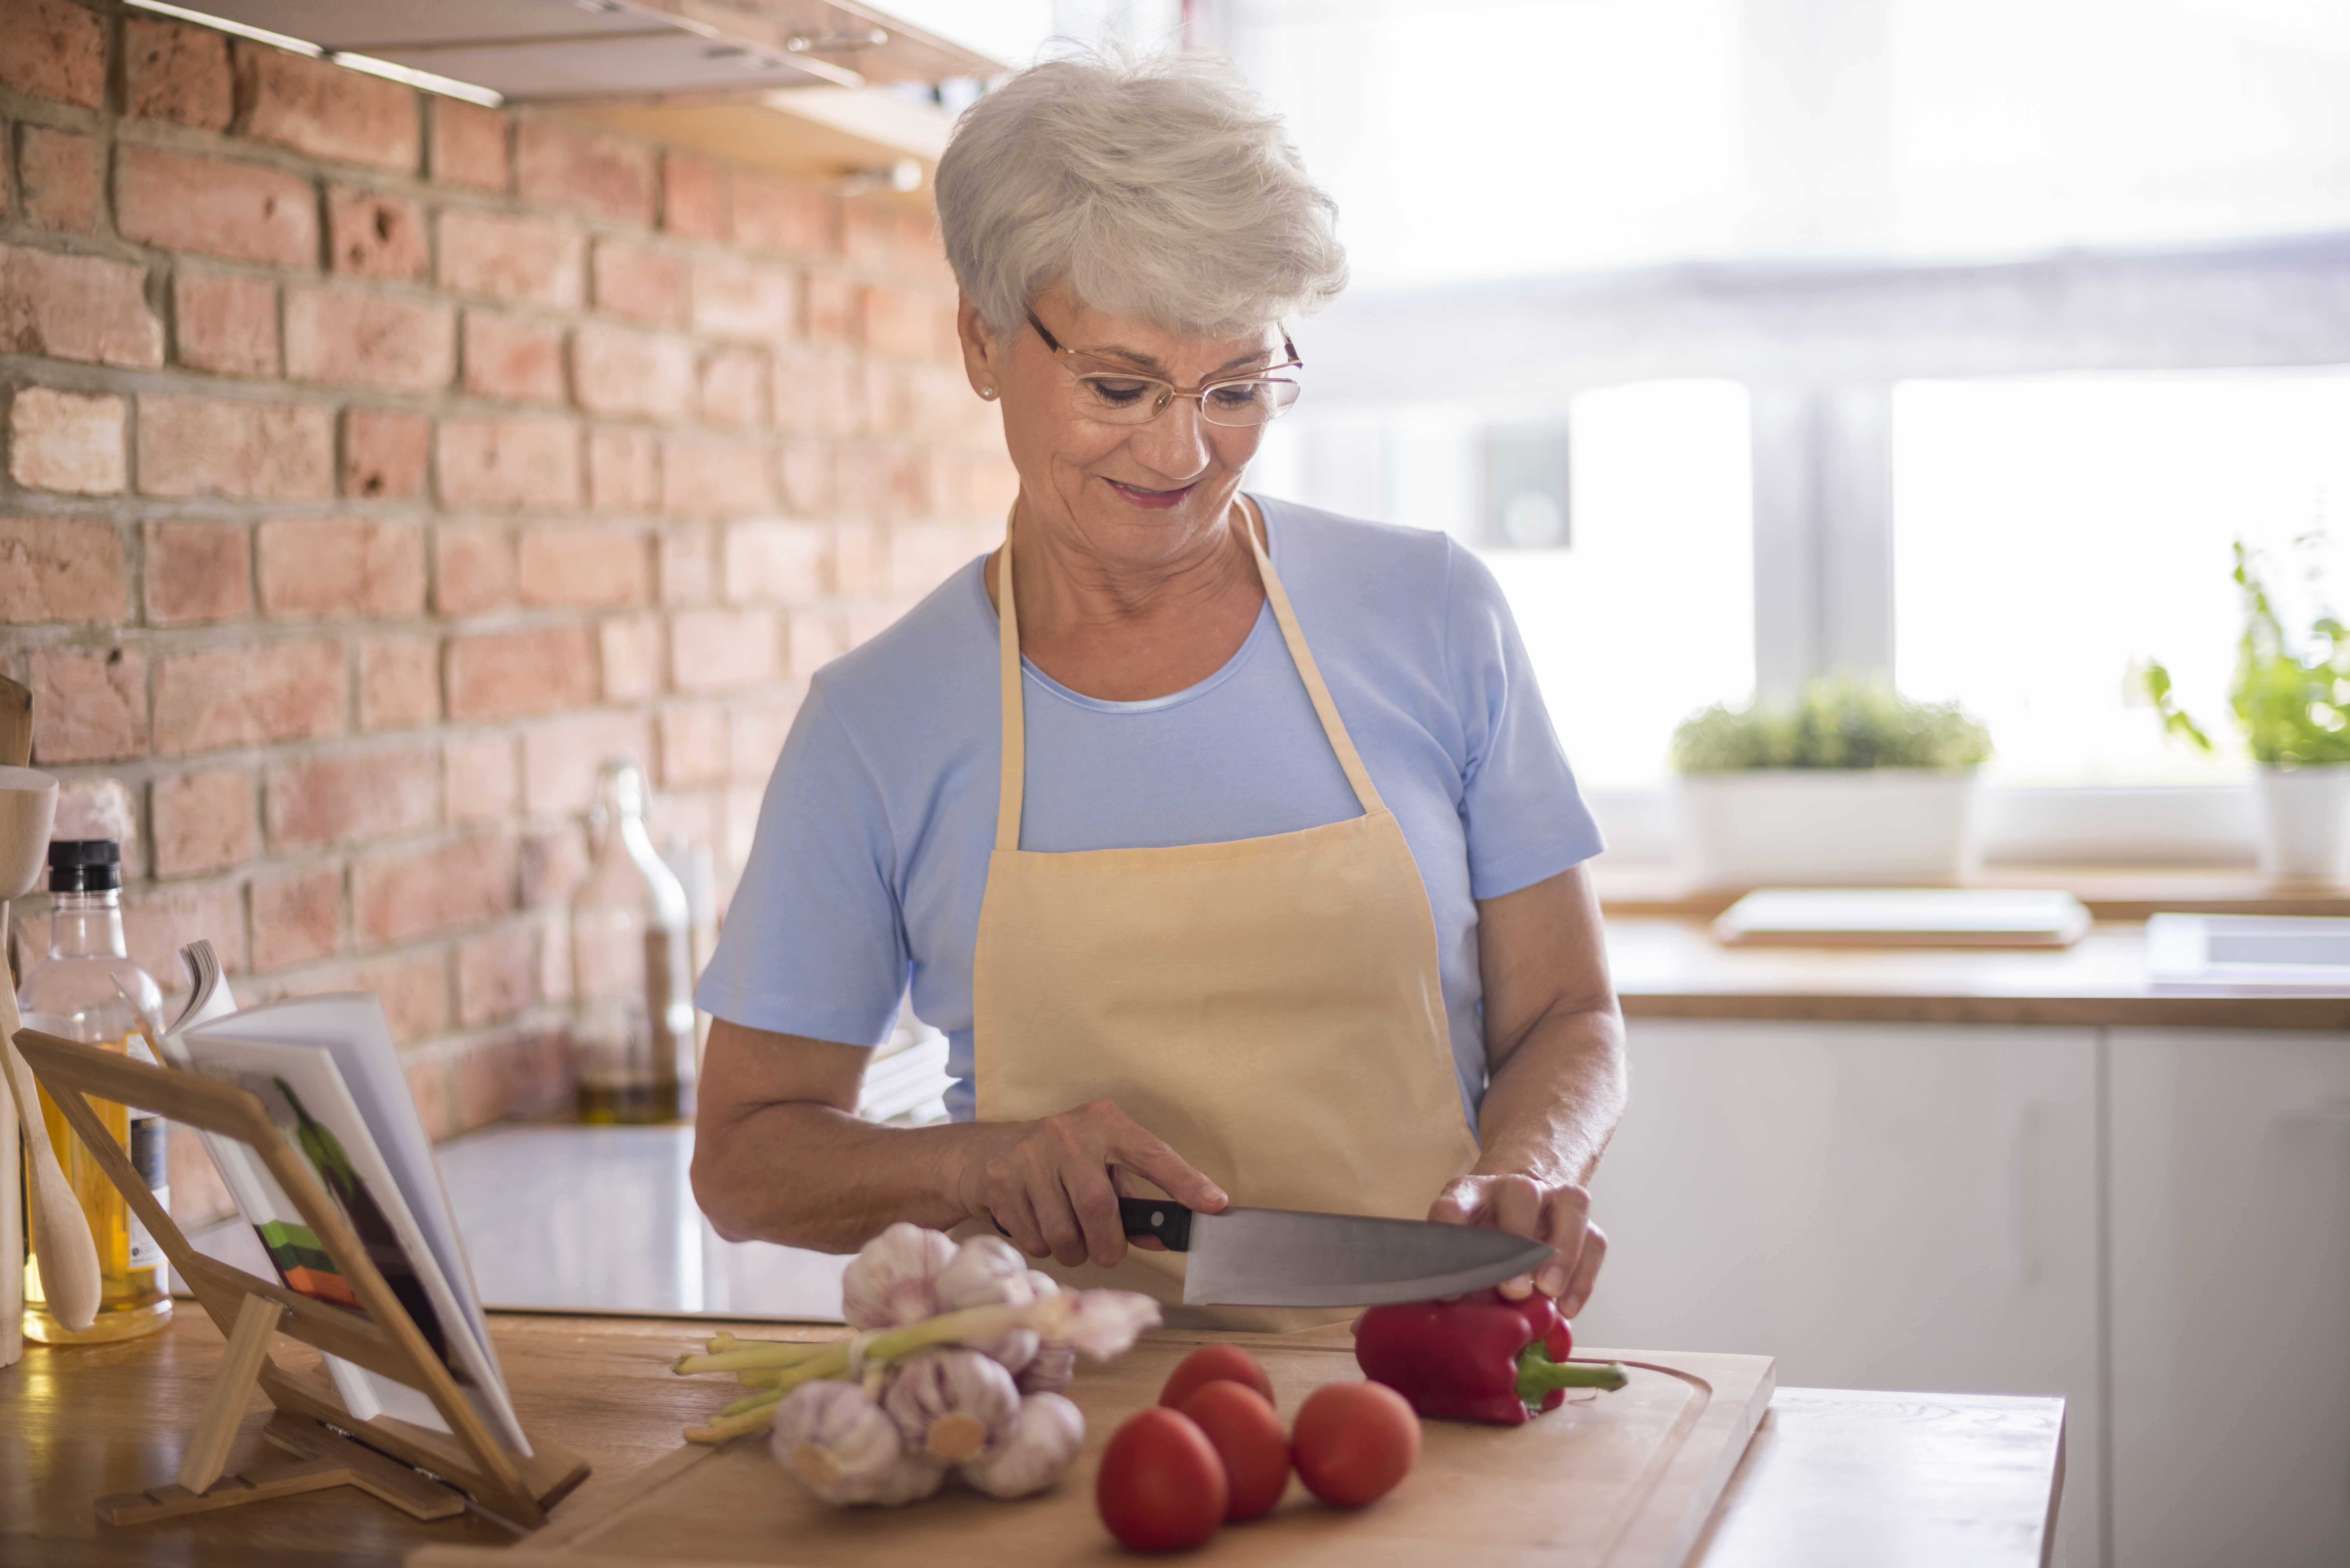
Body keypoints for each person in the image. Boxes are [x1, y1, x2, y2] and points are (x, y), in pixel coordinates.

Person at [691, 50, 1624, 1328]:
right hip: (1075, 1442)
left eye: (1239, 388)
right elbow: (745, 1157)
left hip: (1435, 1374)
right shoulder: (878, 722)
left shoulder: (1435, 612)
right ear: (982, 337)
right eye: (1120, 387)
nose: (1185, 451)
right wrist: (974, 1162)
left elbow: (1569, 1012)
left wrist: (1526, 1170)